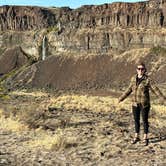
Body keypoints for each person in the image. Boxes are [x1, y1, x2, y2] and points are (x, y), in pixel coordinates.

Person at [118, 62, 165, 146]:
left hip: (144, 104)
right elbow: (129, 89)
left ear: (144, 70)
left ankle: (145, 137)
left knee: (145, 121)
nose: (140, 70)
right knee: (136, 120)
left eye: (142, 69)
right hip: (135, 104)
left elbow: (156, 90)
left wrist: (164, 100)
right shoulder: (133, 79)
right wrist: (121, 98)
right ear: (136, 70)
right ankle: (136, 136)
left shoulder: (148, 79)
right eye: (139, 69)